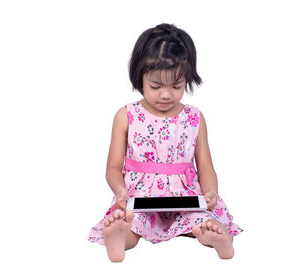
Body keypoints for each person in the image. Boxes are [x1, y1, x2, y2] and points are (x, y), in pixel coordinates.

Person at [88, 23, 243, 262]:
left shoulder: (194, 117)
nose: (166, 95)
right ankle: (119, 238)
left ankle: (215, 239)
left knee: (201, 220)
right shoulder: (126, 115)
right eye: (156, 86)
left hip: (184, 196)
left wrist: (211, 192)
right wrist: (120, 190)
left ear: (187, 80)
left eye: (176, 86)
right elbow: (112, 166)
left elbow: (205, 167)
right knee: (132, 221)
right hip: (141, 195)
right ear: (139, 76)